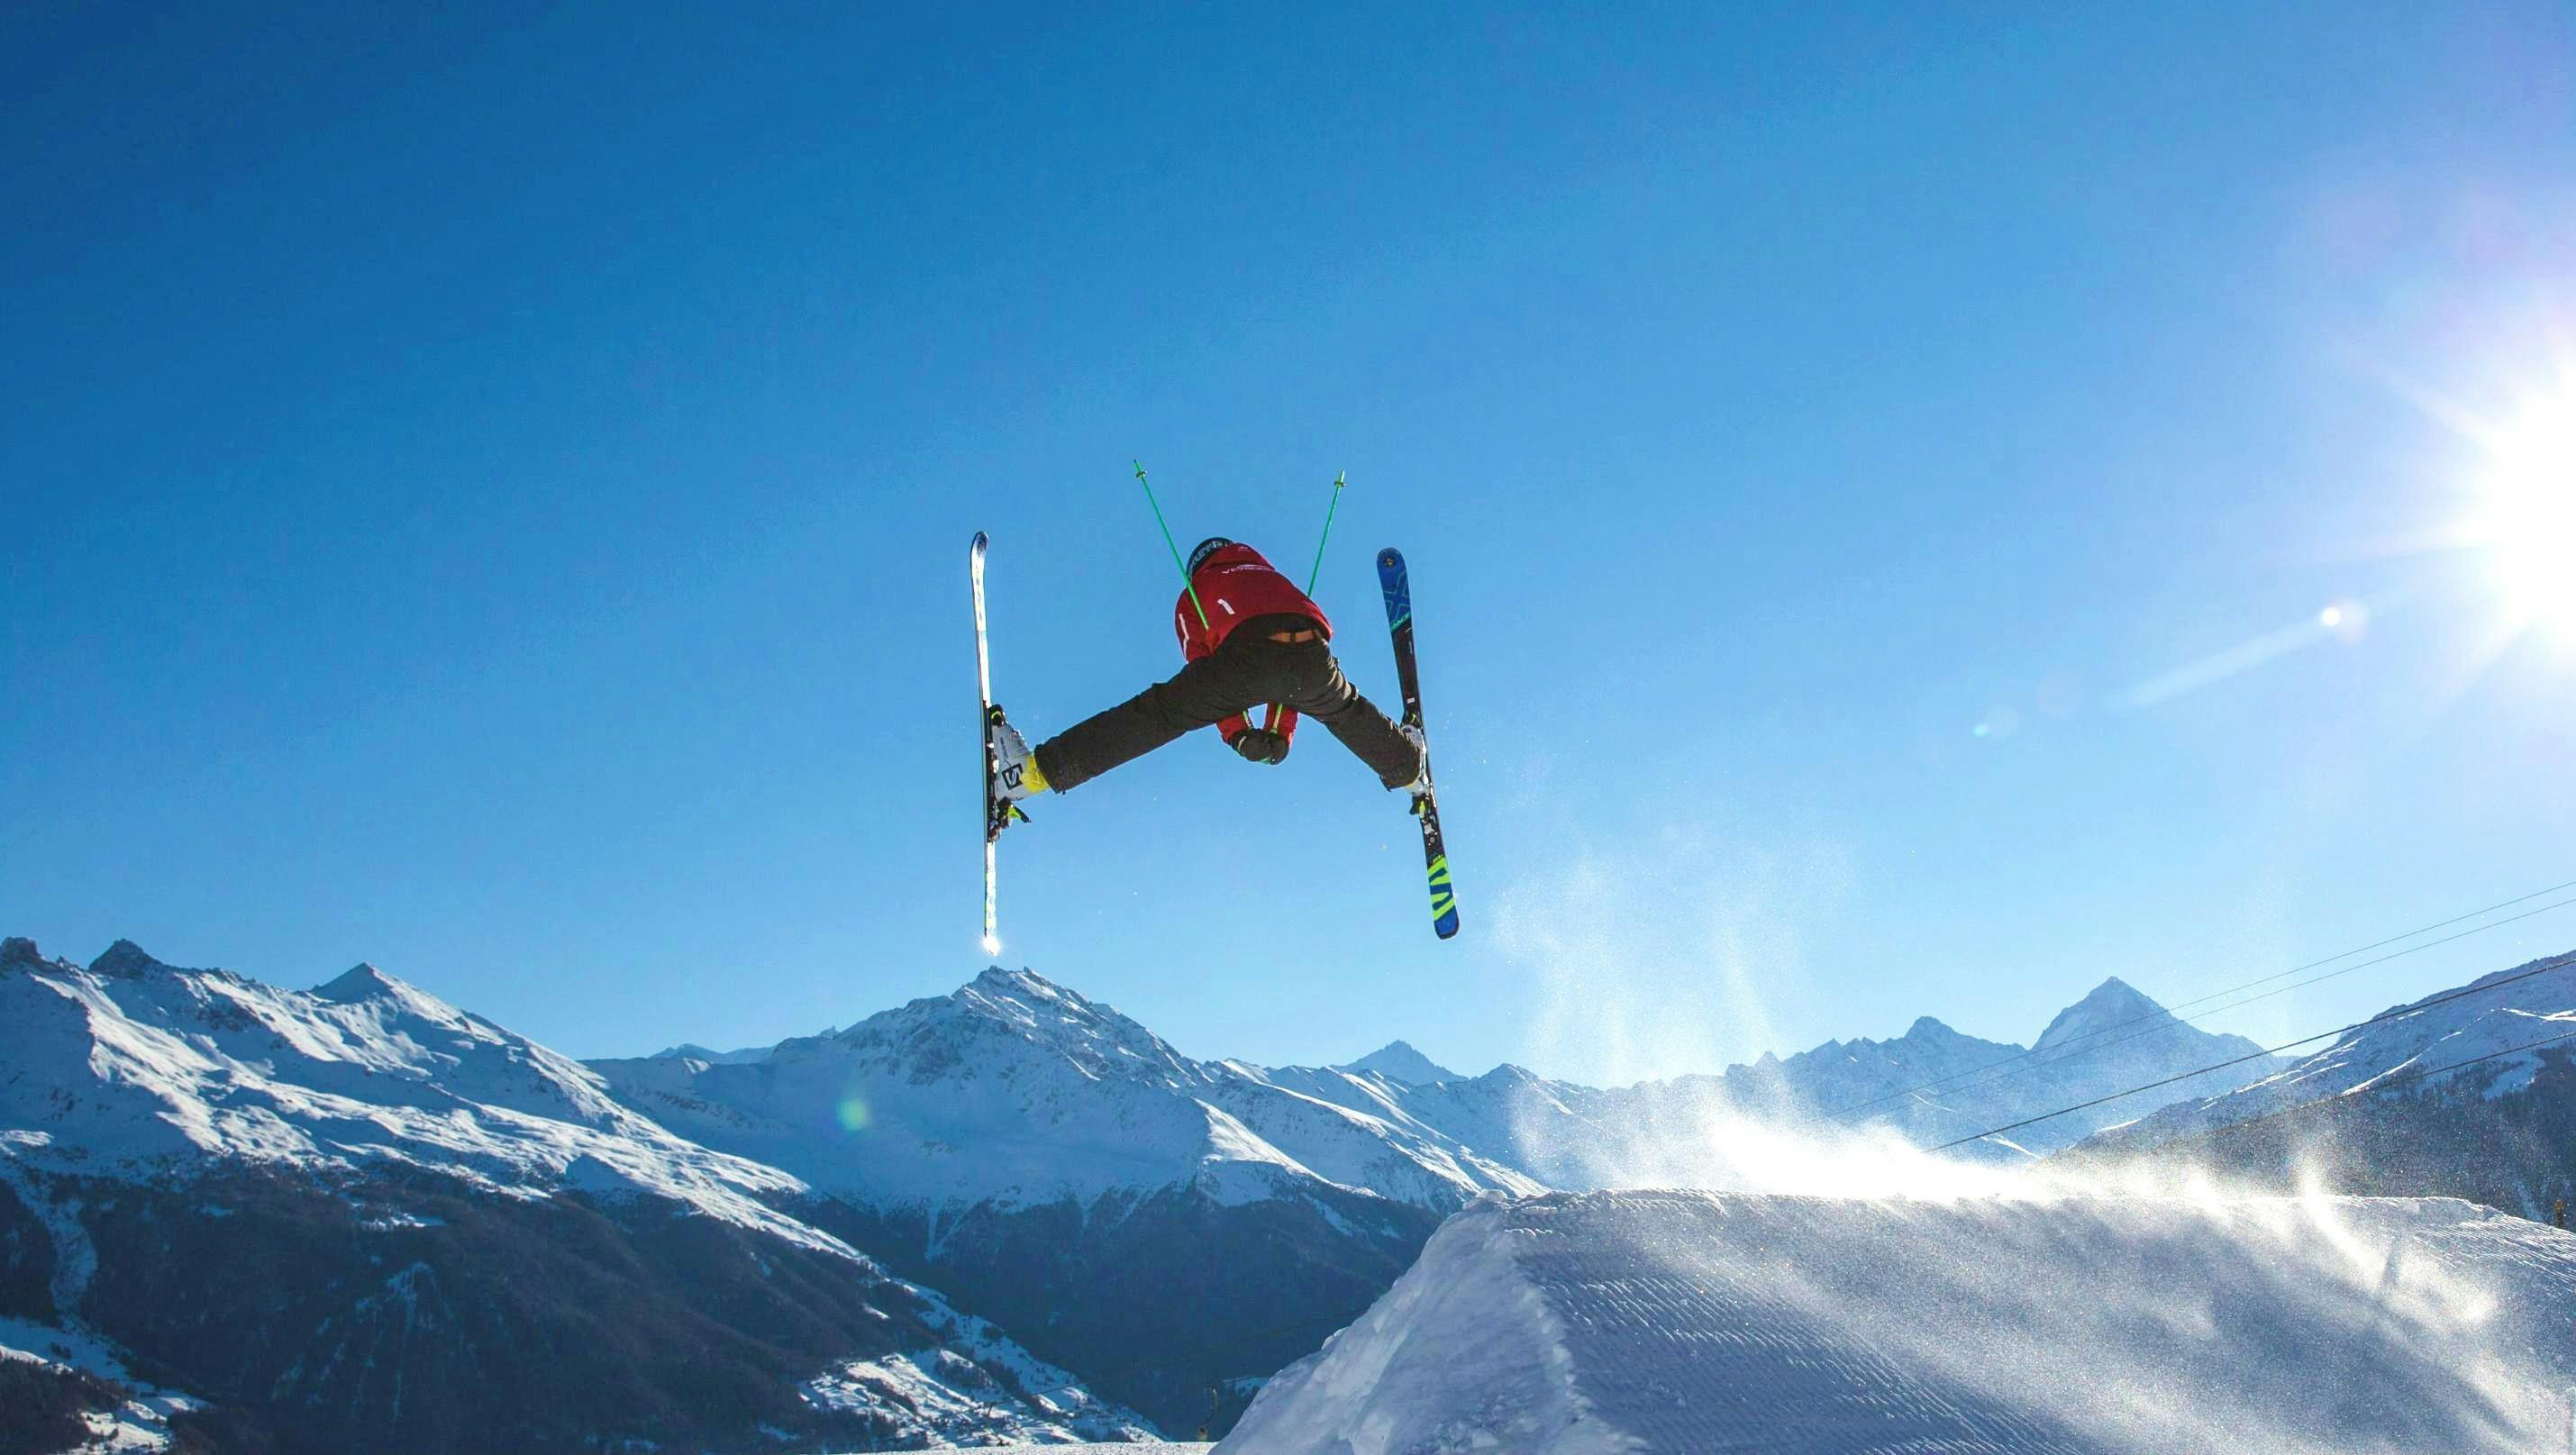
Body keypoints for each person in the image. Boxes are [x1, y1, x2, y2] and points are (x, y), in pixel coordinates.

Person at [989, 537, 1425, 813]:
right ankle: (1407, 766)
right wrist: (1279, 735)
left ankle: (1029, 776)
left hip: (1244, 653)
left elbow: (1206, 672)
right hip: (1314, 654)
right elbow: (1287, 675)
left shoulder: (1194, 594)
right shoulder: (1272, 577)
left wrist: (1237, 735)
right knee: (1345, 710)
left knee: (1159, 714)